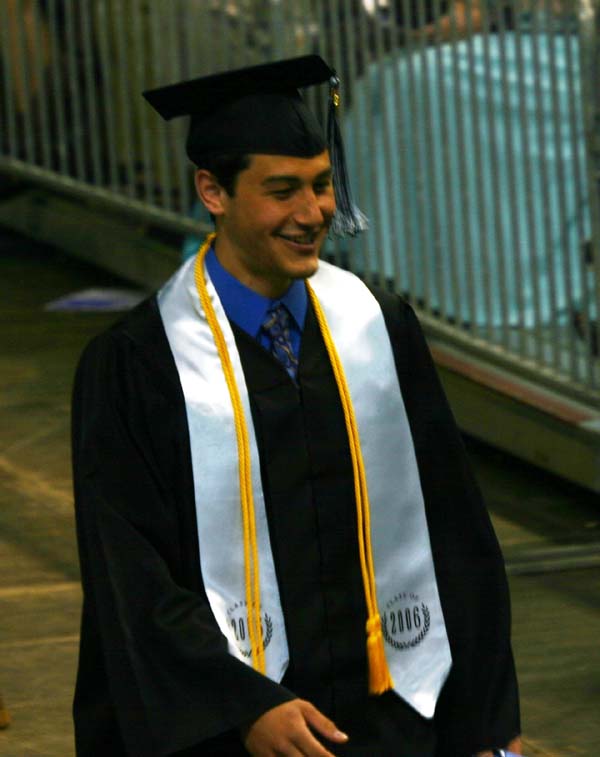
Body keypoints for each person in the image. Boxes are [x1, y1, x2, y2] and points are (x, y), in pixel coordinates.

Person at [71, 55, 522, 756]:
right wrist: (241, 704)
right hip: (232, 732)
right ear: (213, 191)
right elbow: (129, 573)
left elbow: (454, 528)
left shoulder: (378, 327)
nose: (313, 214)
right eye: (282, 191)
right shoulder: (139, 363)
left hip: (393, 713)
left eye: (321, 184)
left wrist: (487, 723)